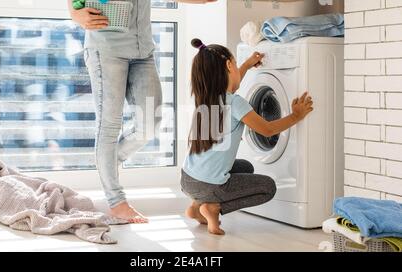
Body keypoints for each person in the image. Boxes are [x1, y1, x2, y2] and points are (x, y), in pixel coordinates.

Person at [67, 0, 217, 223]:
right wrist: (73, 12)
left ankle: (110, 159)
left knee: (150, 123)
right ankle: (117, 202)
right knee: (108, 125)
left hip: (142, 50)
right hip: (106, 49)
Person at [181, 38, 314, 235]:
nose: (237, 69)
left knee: (246, 167)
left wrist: (245, 65)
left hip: (188, 180)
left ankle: (195, 206)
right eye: (235, 64)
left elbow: (231, 85)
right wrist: (296, 115)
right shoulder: (236, 103)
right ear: (228, 65)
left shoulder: (205, 99)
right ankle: (213, 208)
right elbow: (267, 130)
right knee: (268, 187)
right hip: (209, 185)